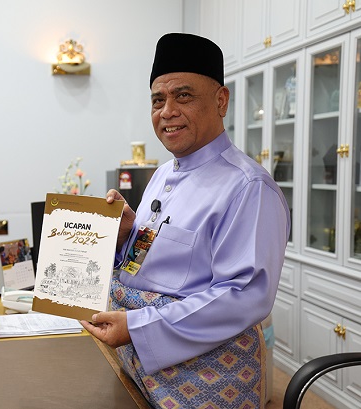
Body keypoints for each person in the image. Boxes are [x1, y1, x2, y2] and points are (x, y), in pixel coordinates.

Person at [81, 33, 290, 408]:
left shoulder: (248, 188)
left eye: (183, 96)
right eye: (157, 100)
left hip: (205, 378)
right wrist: (127, 236)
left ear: (221, 100)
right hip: (138, 365)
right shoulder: (163, 174)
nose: (167, 111)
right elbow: (150, 262)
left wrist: (139, 327)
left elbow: (242, 296)